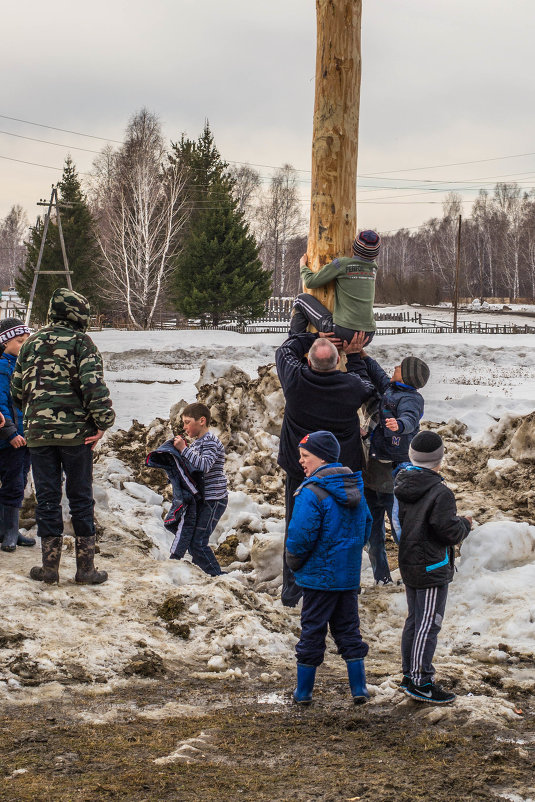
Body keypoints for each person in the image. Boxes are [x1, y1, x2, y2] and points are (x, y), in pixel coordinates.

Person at [11, 288, 115, 585]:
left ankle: (49, 568)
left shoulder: (30, 344)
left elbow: (17, 392)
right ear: (77, 314)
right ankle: (85, 569)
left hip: (38, 435)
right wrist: (103, 422)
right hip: (76, 436)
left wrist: (34, 415)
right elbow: (94, 387)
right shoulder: (82, 342)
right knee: (81, 498)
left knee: (47, 498)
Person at [276, 331, 373, 607]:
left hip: (302, 469)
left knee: (298, 525)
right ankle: (343, 588)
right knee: (343, 528)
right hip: (343, 472)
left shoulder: (295, 381)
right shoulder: (351, 387)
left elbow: (284, 352)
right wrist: (354, 356)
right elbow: (367, 385)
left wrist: (313, 335)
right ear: (337, 362)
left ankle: (293, 591)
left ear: (307, 361)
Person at [286, 431, 372, 705]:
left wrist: (294, 561)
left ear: (322, 457)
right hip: (346, 577)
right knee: (348, 630)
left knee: (312, 631)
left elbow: (301, 534)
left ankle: (303, 693)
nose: (301, 461)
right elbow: (367, 526)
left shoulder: (311, 492)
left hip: (318, 578)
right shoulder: (354, 487)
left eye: (306, 456)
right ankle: (359, 689)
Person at [394, 431, 472, 704]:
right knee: (428, 624)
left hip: (410, 562)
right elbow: (448, 531)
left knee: (415, 621)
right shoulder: (440, 492)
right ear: (439, 460)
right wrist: (465, 523)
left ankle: (410, 674)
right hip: (431, 567)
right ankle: (421, 681)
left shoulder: (403, 484)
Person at [359, 348, 430, 544]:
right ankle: (381, 573)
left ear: (407, 377)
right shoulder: (391, 389)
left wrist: (399, 425)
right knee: (374, 528)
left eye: (401, 366)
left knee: (398, 522)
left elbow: (410, 418)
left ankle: (410, 564)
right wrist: (365, 356)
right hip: (380, 454)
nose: (396, 366)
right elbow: (379, 373)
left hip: (395, 463)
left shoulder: (412, 399)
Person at [290, 230, 380, 345]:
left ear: (353, 248)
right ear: (376, 254)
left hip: (343, 332)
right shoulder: (373, 268)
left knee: (300, 300)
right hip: (367, 335)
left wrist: (303, 265)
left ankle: (294, 346)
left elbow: (310, 282)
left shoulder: (342, 264)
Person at [171, 402, 227, 577]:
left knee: (198, 542)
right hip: (204, 499)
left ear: (201, 421)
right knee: (192, 539)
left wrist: (183, 449)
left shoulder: (210, 442)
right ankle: (206, 574)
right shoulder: (197, 444)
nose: (184, 426)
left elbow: (204, 466)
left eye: (188, 422)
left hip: (215, 499)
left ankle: (218, 577)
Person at [0, 318, 35, 552]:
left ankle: (8, 528)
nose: (24, 345)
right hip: (11, 438)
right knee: (12, 482)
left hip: (26, 435)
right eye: (20, 341)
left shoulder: (21, 364)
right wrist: (10, 432)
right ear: (4, 343)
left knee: (20, 480)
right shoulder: (3, 366)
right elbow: (1, 402)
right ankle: (9, 531)